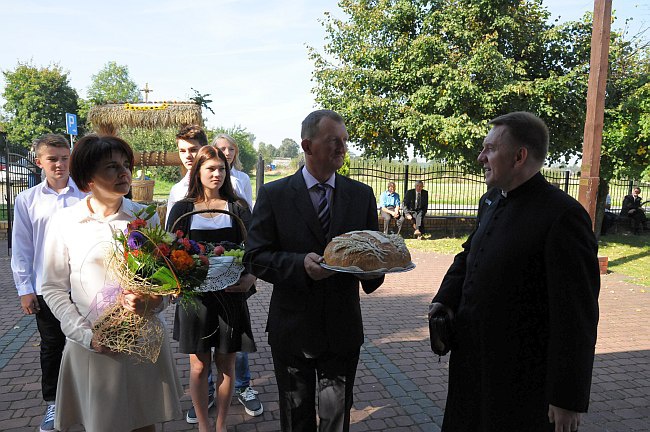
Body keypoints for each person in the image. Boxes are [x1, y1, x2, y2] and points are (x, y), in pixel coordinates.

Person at [429, 112, 600, 432]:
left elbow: (577, 315)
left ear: (519, 156)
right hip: (472, 365)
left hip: (522, 381)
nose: (481, 157)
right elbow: (469, 255)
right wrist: (444, 299)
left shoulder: (562, 216)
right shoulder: (490, 200)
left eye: (490, 149)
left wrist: (568, 398)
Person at [245, 109, 385, 432]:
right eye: (333, 141)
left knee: (336, 419)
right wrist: (299, 265)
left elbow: (373, 259)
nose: (342, 148)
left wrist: (372, 270)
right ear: (307, 146)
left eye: (345, 141)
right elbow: (255, 256)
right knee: (296, 419)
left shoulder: (360, 195)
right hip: (293, 330)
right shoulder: (274, 195)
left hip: (342, 329)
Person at [41, 134, 183, 432]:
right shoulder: (66, 222)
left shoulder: (144, 218)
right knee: (102, 425)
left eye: (126, 165)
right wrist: (84, 335)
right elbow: (52, 287)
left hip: (140, 345)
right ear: (87, 178)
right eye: (111, 167)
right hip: (92, 346)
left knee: (144, 423)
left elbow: (165, 282)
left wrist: (153, 302)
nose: (123, 173)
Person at [166, 145, 257, 432]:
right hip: (196, 301)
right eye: (211, 169)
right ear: (198, 172)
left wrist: (251, 278)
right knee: (198, 367)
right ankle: (204, 426)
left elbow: (256, 251)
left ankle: (221, 425)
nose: (217, 174)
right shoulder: (183, 208)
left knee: (226, 367)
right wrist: (173, 282)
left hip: (231, 298)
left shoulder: (238, 207)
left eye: (222, 169)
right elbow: (167, 252)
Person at [11, 134, 87, 432]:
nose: (59, 164)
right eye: (52, 158)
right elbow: (22, 247)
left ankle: (85, 398)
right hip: (47, 288)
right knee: (53, 345)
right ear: (39, 161)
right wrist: (25, 289)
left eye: (64, 157)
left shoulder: (85, 194)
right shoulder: (27, 200)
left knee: (84, 342)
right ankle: (54, 403)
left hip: (83, 283)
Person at [212, 133, 263, 417]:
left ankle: (243, 386)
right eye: (221, 149)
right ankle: (211, 389)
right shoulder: (190, 188)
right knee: (206, 341)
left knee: (236, 334)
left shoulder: (241, 178)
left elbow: (247, 215)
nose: (226, 153)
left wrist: (249, 270)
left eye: (230, 149)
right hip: (206, 271)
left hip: (234, 263)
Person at [165, 124, 209, 224]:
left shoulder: (228, 183)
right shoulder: (177, 190)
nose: (187, 156)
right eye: (182, 151)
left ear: (205, 149)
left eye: (193, 150)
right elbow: (170, 230)